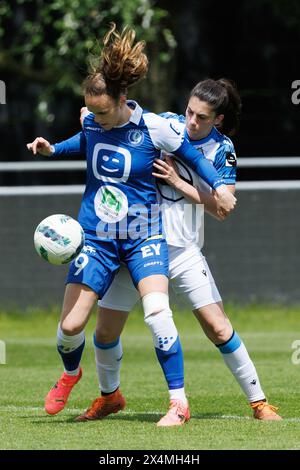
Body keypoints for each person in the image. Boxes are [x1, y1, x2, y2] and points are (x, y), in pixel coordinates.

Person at [27, 24, 236, 427]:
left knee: (158, 313)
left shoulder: (154, 127)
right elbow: (84, 139)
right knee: (71, 327)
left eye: (104, 112)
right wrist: (54, 147)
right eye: (92, 112)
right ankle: (72, 374)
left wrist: (221, 186)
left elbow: (194, 156)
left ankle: (178, 403)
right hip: (97, 240)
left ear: (122, 99)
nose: (97, 119)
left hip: (144, 235)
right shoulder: (93, 121)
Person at [75, 78, 281, 424]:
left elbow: (221, 208)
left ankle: (259, 403)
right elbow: (124, 117)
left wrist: (177, 181)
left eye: (201, 117)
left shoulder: (222, 150)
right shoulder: (168, 124)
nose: (191, 122)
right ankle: (110, 398)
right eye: (189, 111)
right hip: (136, 245)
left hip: (183, 250)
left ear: (217, 119)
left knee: (217, 327)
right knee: (105, 332)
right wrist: (93, 114)